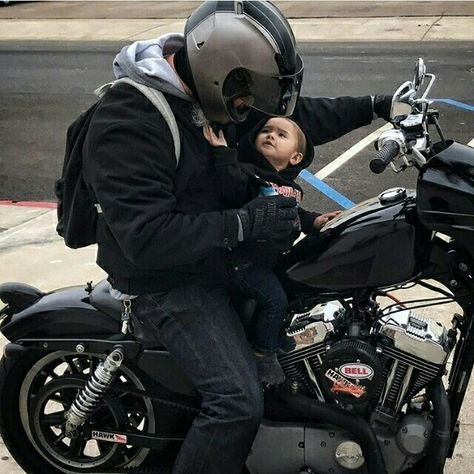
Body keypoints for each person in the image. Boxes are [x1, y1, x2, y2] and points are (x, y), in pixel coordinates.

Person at [81, 2, 392, 472]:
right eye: (247, 98)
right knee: (236, 402)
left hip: (218, 259)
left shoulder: (211, 93)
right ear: (223, 72)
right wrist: (244, 224)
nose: (251, 112)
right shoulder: (129, 120)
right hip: (166, 283)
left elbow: (298, 119)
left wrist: (379, 106)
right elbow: (144, 238)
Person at [203, 116, 340, 384]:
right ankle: (262, 354)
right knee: (275, 300)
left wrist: (315, 221)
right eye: (266, 130)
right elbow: (231, 188)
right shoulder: (249, 174)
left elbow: (293, 214)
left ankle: (277, 337)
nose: (271, 135)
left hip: (269, 261)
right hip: (244, 263)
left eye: (281, 134)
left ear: (296, 157)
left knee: (294, 291)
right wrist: (223, 155)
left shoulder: (290, 188)